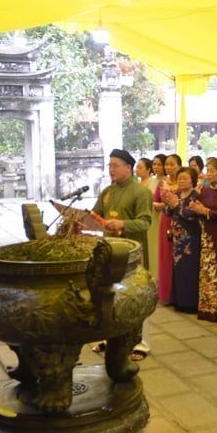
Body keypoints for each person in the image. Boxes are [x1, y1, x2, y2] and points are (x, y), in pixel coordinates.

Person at [91, 148, 153, 360]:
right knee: (110, 296)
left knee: (137, 295)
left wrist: (122, 224)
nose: (111, 170)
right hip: (109, 252)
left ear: (129, 168)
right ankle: (111, 338)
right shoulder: (108, 191)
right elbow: (95, 214)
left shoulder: (140, 192)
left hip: (132, 252)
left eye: (115, 165)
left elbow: (146, 222)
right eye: (109, 166)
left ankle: (141, 344)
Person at [189, 157, 217, 322]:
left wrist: (204, 211)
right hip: (205, 232)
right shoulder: (205, 190)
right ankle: (205, 307)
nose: (209, 174)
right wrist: (196, 209)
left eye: (213, 171)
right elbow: (199, 208)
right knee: (205, 270)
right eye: (208, 171)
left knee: (216, 270)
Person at [164, 166, 202, 314]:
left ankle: (190, 303)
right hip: (177, 237)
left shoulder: (195, 196)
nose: (181, 181)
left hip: (190, 237)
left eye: (185, 178)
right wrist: (168, 202)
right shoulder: (177, 193)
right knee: (177, 268)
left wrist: (177, 204)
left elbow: (190, 215)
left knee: (189, 270)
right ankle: (178, 300)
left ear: (192, 180)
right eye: (179, 178)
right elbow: (167, 212)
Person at [153, 153, 181, 304]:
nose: (168, 167)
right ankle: (166, 293)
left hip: (181, 221)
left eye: (172, 164)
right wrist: (166, 205)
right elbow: (154, 203)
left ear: (179, 166)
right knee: (165, 255)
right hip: (165, 220)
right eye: (167, 165)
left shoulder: (184, 181)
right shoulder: (162, 183)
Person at [145, 155, 166, 284]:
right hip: (150, 217)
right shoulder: (151, 181)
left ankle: (159, 278)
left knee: (158, 247)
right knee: (150, 247)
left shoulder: (165, 182)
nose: (156, 167)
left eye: (159, 164)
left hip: (160, 218)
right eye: (154, 164)